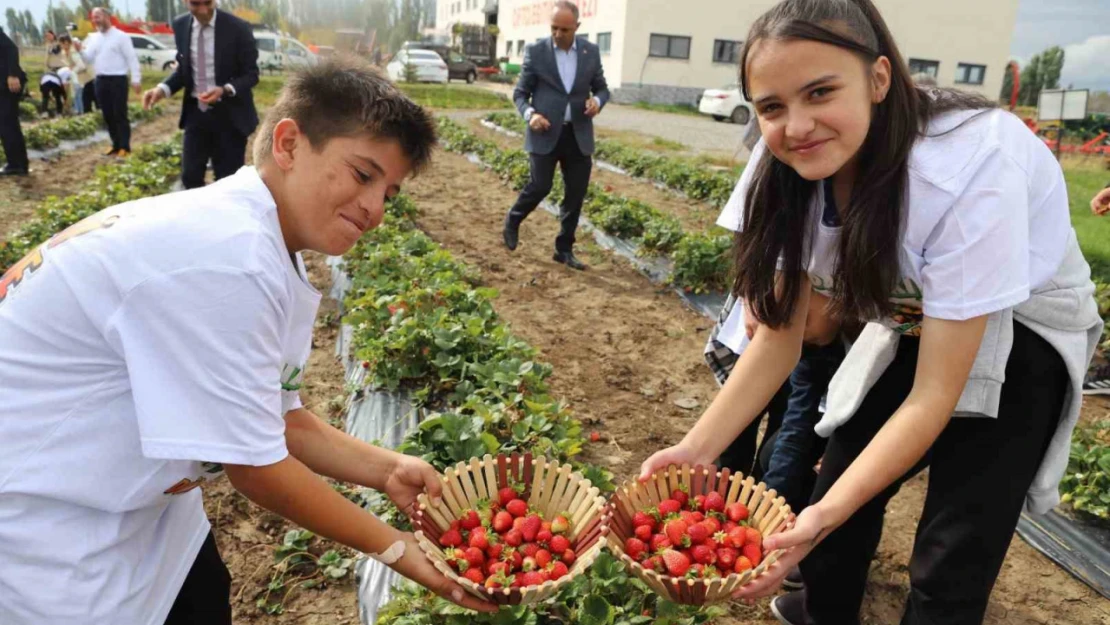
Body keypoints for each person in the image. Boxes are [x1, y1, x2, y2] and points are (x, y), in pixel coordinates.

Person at [638, 1, 1101, 624]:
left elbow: (934, 395)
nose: (796, 125)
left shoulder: (967, 174)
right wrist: (696, 449)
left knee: (954, 543)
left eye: (821, 91)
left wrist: (826, 517)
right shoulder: (784, 167)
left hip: (1024, 328)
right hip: (911, 317)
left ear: (879, 79)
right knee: (833, 500)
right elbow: (780, 341)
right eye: (771, 106)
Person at [0, 56, 497, 625]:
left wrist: (386, 471)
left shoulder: (256, 239)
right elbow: (256, 466)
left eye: (389, 192)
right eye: (363, 175)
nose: (375, 209)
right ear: (288, 144)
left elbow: (276, 418)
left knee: (201, 592)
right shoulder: (225, 259)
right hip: (47, 532)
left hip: (141, 513)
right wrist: (397, 549)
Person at [501, 0, 610, 271]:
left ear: (577, 27)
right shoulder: (537, 52)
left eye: (564, 29)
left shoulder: (590, 52)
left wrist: (597, 101)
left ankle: (564, 249)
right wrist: (531, 115)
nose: (558, 34)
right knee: (540, 185)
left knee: (575, 194)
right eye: (554, 28)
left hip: (578, 134)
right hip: (545, 132)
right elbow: (520, 94)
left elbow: (602, 88)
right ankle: (513, 220)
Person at [143, 0, 260, 189]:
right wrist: (161, 89)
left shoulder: (238, 28)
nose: (204, 10)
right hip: (196, 114)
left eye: (208, 2)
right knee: (190, 177)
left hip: (230, 116)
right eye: (196, 4)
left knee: (227, 182)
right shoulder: (181, 25)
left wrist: (225, 89)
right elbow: (184, 70)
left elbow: (251, 74)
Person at [76, 7, 141, 156]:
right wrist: (80, 50)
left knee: (119, 113)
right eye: (93, 17)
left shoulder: (121, 36)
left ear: (107, 17)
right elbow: (88, 58)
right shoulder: (95, 38)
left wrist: (136, 78)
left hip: (118, 79)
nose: (95, 20)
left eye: (97, 16)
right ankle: (115, 144)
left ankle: (125, 146)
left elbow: (132, 58)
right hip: (100, 80)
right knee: (107, 114)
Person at [0, 25, 28, 176]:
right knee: (6, 125)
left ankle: (17, 164)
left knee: (8, 124)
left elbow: (11, 49)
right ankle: (16, 163)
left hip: (8, 84)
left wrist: (12, 74)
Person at [59, 34, 88, 115]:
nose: (63, 46)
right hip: (74, 77)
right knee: (75, 95)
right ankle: (78, 111)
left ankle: (81, 113)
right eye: (62, 44)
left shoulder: (73, 52)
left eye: (65, 43)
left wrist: (73, 69)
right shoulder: (65, 53)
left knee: (79, 95)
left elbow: (81, 65)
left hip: (79, 76)